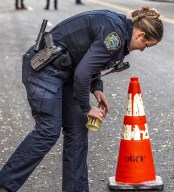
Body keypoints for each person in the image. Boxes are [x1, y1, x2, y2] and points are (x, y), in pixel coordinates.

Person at [0, 7, 163, 192]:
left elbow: (88, 59)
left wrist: (97, 89)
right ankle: (5, 183)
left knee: (77, 129)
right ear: (141, 34)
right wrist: (87, 108)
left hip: (65, 73)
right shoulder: (115, 36)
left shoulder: (120, 30)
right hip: (44, 71)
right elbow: (83, 72)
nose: (142, 50)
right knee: (48, 131)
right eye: (147, 45)